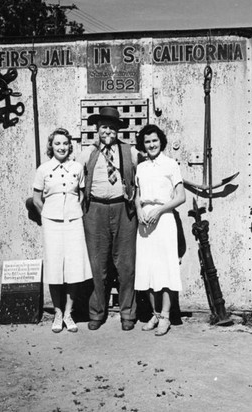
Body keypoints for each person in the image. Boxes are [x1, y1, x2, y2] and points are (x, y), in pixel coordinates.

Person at [79, 106, 138, 331]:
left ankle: (127, 314)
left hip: (123, 210)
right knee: (97, 264)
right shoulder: (87, 152)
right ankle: (96, 312)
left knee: (125, 265)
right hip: (95, 210)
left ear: (117, 131)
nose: (108, 132)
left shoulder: (128, 151)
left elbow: (142, 177)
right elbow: (75, 178)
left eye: (112, 128)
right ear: (97, 128)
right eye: (104, 127)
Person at [32, 127, 92, 333]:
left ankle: (69, 313)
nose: (61, 147)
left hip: (74, 222)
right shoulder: (43, 169)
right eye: (57, 143)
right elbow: (36, 199)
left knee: (74, 268)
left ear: (70, 146)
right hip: (52, 224)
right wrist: (48, 214)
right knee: (55, 267)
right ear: (51, 146)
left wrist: (73, 212)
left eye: (65, 143)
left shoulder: (77, 167)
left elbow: (82, 195)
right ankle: (57, 313)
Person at [134, 124, 186, 336]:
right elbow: (137, 194)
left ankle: (165, 316)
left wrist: (159, 210)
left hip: (164, 220)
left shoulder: (171, 164)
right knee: (148, 269)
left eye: (154, 140)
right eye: (147, 141)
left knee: (165, 269)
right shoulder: (142, 167)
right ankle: (155, 314)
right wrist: (138, 210)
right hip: (145, 222)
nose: (151, 145)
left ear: (161, 141)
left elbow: (181, 196)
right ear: (143, 145)